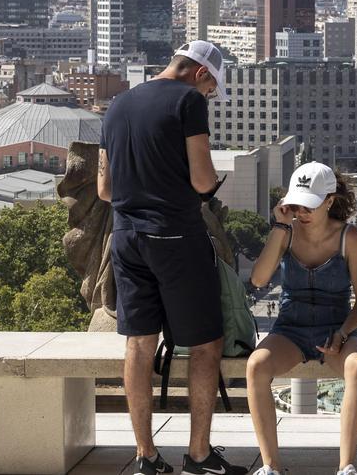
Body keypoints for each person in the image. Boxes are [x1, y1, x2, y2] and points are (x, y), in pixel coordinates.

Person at [98, 41, 247, 475]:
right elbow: (202, 180)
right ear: (200, 74)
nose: (209, 98)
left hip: (125, 237)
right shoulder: (187, 101)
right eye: (212, 91)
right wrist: (206, 182)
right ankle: (198, 456)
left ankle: (146, 457)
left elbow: (105, 190)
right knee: (205, 344)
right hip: (175, 234)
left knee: (139, 344)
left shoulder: (117, 104)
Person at [246, 162, 357, 475]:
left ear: (329, 201)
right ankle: (270, 467)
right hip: (291, 328)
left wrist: (343, 333)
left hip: (336, 327)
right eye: (296, 204)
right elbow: (259, 280)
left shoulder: (349, 237)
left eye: (309, 206)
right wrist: (279, 227)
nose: (301, 212)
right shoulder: (286, 233)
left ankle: (346, 467)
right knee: (256, 366)